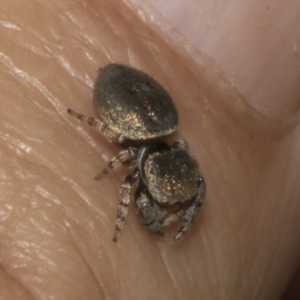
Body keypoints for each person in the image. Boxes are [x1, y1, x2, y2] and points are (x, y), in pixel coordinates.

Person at [0, 0, 299, 299]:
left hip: (148, 107)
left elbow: (198, 182)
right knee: (128, 184)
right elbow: (120, 176)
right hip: (122, 96)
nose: (166, 208)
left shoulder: (174, 136)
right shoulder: (133, 155)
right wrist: (119, 222)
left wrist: (187, 212)